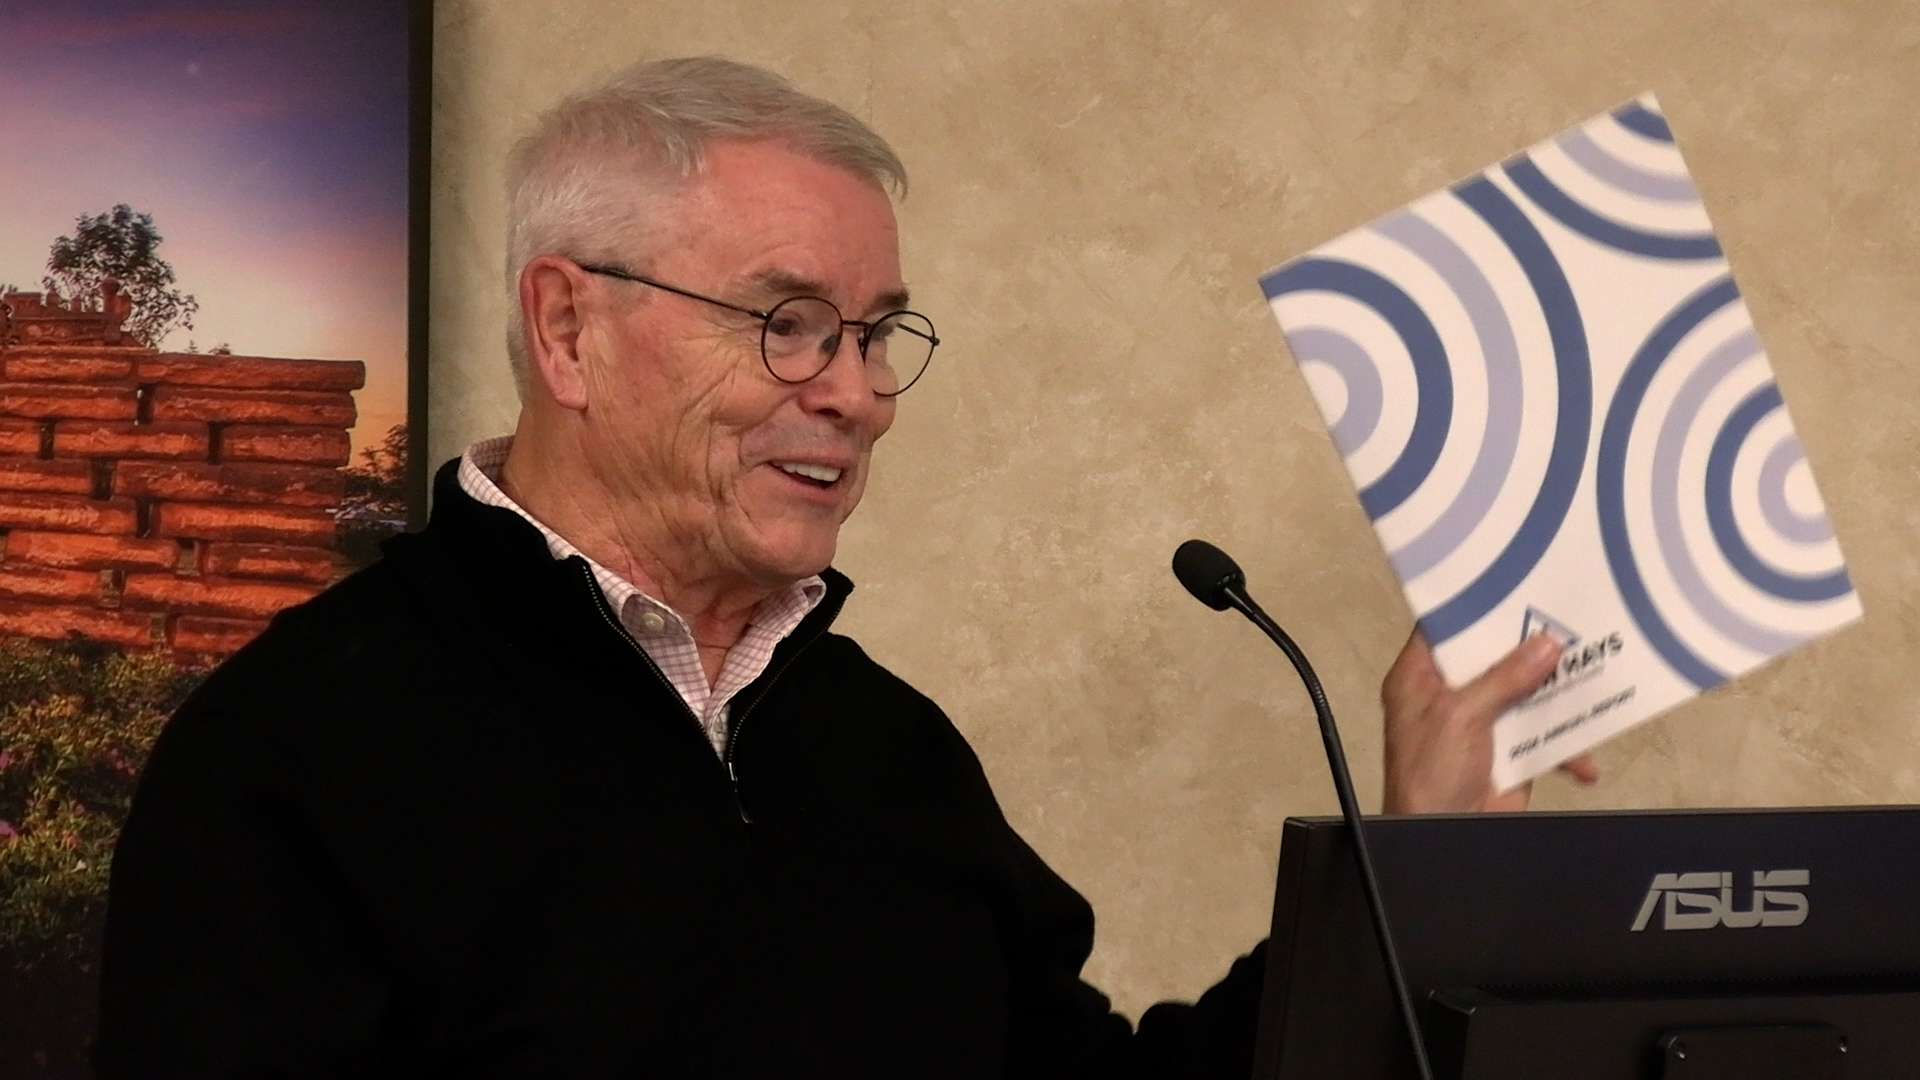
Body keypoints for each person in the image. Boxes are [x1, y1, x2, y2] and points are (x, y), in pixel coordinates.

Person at [96, 57, 1592, 1078]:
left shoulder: (884, 748)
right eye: (790, 324)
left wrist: (1419, 868)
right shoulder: (290, 756)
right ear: (568, 330)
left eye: (876, 335)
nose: (860, 395)